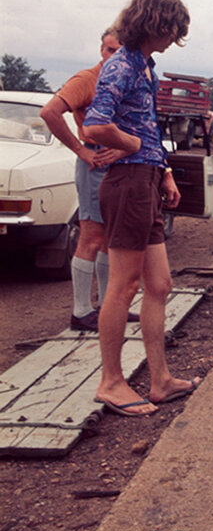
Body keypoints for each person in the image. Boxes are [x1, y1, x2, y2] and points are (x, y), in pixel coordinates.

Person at [82, 0, 199, 417]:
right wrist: (129, 143)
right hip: (129, 183)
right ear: (156, 23)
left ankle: (160, 379)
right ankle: (111, 382)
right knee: (124, 285)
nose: (175, 38)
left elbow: (148, 128)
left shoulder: (145, 67)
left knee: (161, 285)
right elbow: (96, 124)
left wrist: (164, 170)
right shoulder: (121, 65)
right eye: (174, 29)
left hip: (146, 178)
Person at [41, 27, 129, 331]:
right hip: (94, 163)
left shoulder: (125, 80)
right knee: (91, 235)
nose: (115, 56)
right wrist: (80, 150)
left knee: (109, 237)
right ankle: (80, 311)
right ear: (101, 51)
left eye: (121, 50)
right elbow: (50, 112)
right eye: (109, 50)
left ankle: (107, 306)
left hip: (120, 163)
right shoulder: (86, 79)